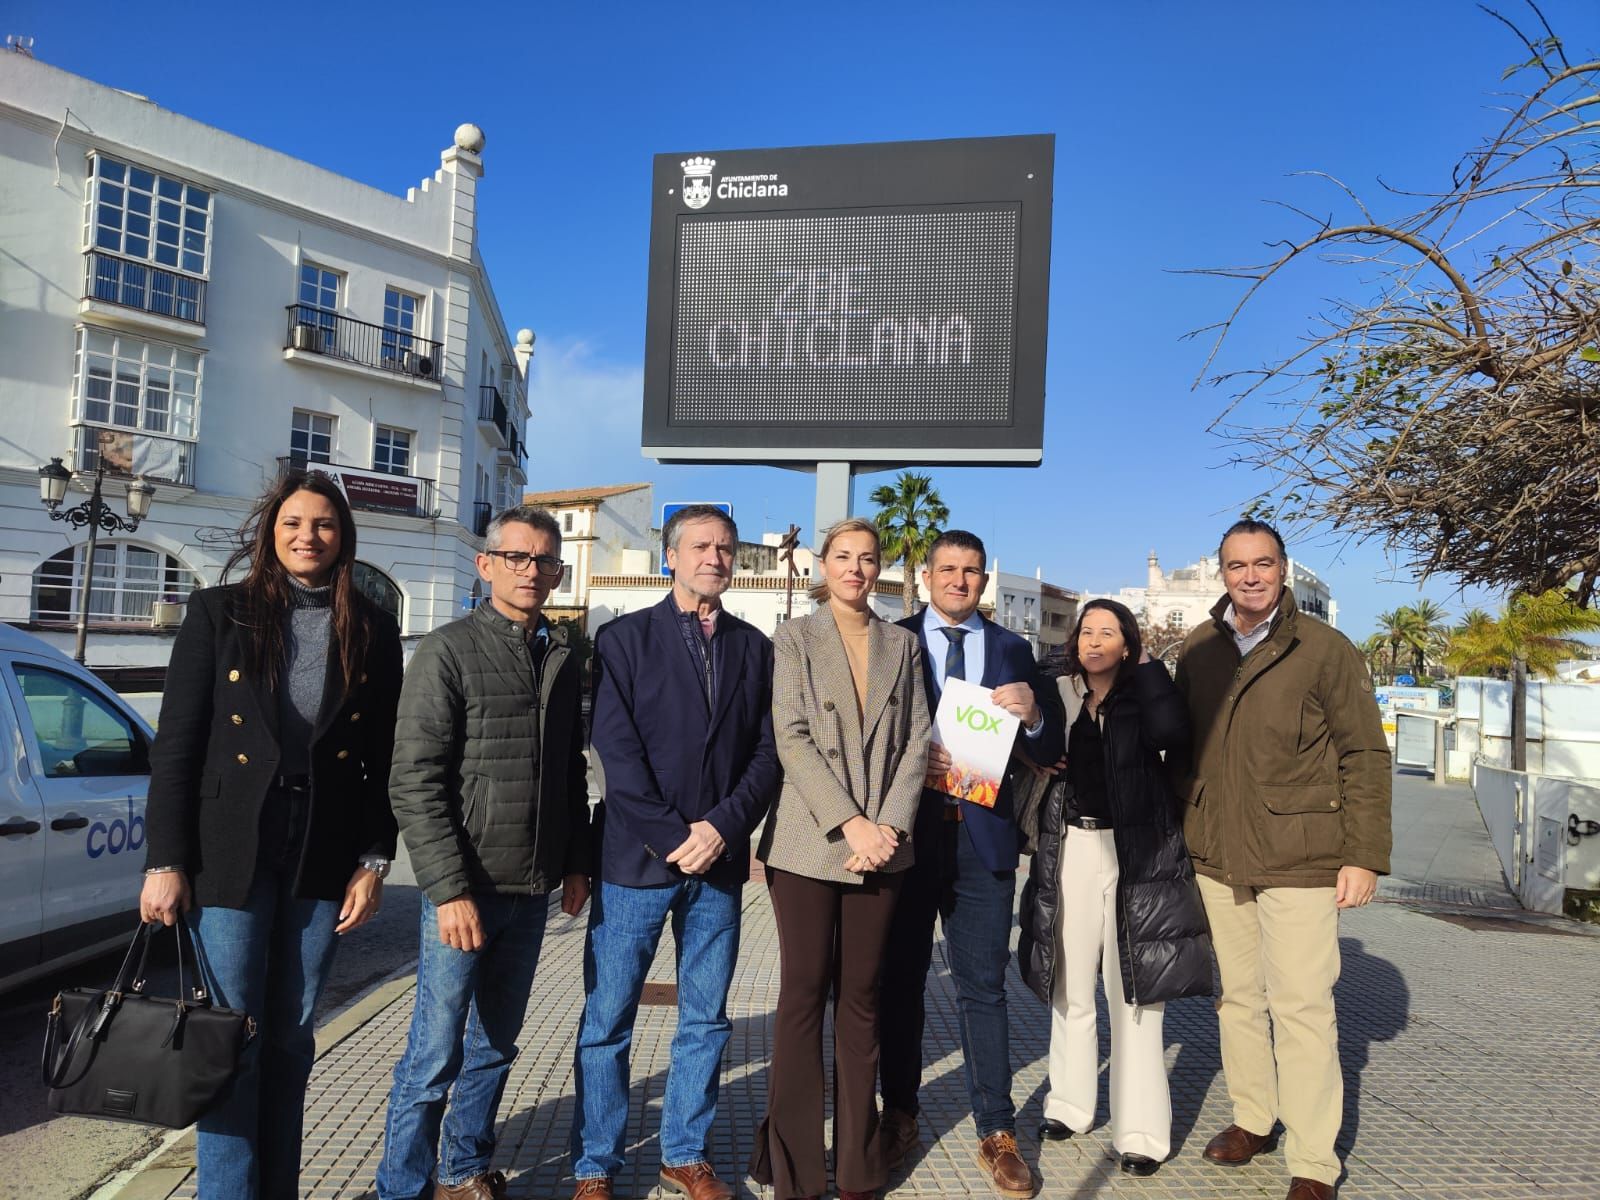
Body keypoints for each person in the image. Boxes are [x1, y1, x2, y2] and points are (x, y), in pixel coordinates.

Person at [140, 470, 403, 1200]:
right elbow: (178, 746)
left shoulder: (373, 627)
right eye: (293, 522)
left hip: (321, 848)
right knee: (231, 1037)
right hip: (227, 847)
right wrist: (165, 859)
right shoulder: (219, 612)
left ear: (342, 536)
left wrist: (375, 861)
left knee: (289, 1039)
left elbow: (383, 756)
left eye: (322, 524)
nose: (307, 536)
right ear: (271, 531)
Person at [377, 505, 592, 1200]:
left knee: (496, 1046)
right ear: (487, 564)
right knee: (433, 1053)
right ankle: (401, 1187)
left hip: (529, 891)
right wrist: (448, 890)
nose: (532, 572)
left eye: (545, 562)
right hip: (465, 890)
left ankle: (463, 1170)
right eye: (518, 558)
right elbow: (413, 780)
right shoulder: (446, 650)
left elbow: (568, 773)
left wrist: (575, 860)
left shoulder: (560, 655)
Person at [1173, 519, 1391, 1200]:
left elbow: (1363, 753)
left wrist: (1363, 856)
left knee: (1301, 1005)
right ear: (1222, 573)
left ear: (1284, 568)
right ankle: (1253, 1119)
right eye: (1237, 566)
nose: (1250, 576)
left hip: (1300, 855)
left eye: (1262, 563)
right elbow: (1180, 748)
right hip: (1218, 853)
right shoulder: (1200, 649)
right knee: (1237, 999)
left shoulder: (1325, 649)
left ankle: (1314, 1160)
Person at [569, 505, 781, 1200]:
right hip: (636, 859)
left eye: (726, 547)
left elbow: (765, 752)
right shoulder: (624, 640)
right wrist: (673, 835)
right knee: (609, 1019)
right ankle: (595, 1164)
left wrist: (721, 827)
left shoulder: (755, 647)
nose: (715, 557)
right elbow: (617, 753)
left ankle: (684, 1154)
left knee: (705, 1017)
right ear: (671, 557)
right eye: (701, 546)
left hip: (717, 865)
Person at [877, 529, 1063, 1200]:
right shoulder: (891, 639)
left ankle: (997, 1131)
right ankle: (898, 1116)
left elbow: (1053, 739)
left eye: (972, 571)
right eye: (948, 569)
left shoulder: (1015, 649)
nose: (960, 580)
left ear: (985, 580)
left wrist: (1037, 712)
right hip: (905, 837)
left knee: (983, 987)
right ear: (926, 576)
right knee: (900, 982)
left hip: (982, 841)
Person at [748, 518, 930, 1200]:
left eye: (868, 558)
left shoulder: (904, 645)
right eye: (843, 557)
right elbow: (790, 738)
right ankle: (792, 1168)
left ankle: (858, 1168)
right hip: (809, 843)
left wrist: (886, 827)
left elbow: (917, 739)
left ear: (879, 568)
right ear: (823, 565)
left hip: (883, 847)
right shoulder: (793, 637)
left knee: (860, 1002)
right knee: (801, 997)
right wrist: (850, 822)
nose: (856, 568)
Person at [1014, 599, 1212, 1176]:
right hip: (1072, 844)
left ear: (1128, 642)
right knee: (1070, 984)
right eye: (1087, 631)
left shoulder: (1145, 691)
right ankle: (1069, 1105)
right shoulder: (1059, 689)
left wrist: (1148, 666)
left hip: (1137, 855)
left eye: (1110, 632)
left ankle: (1143, 1133)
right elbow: (1039, 746)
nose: (1094, 640)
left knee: (1134, 991)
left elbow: (1175, 734)